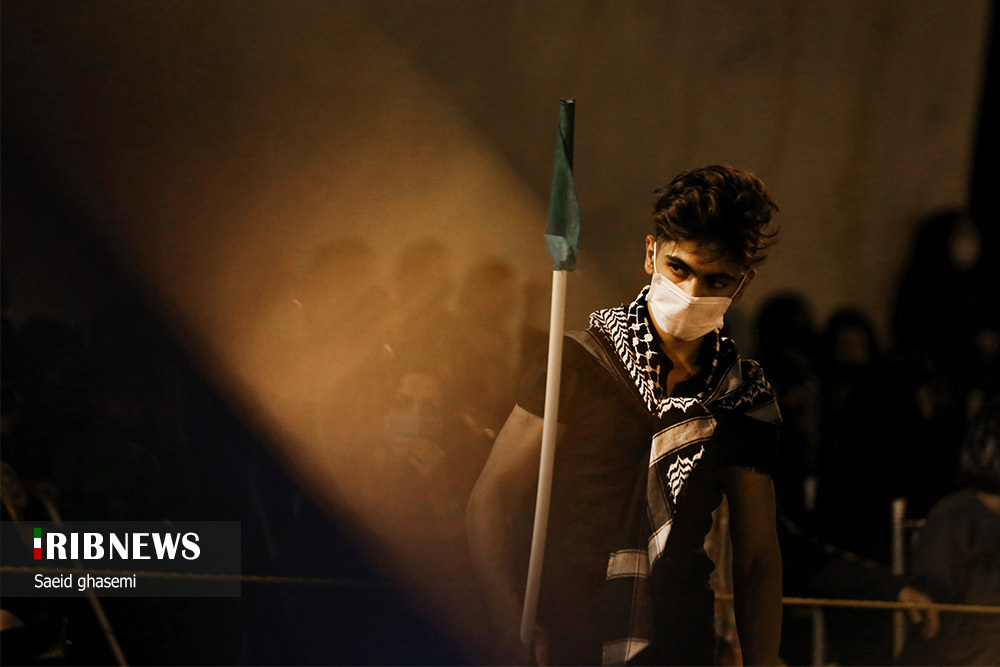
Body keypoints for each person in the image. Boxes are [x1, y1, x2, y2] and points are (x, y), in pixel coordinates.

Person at [466, 165, 783, 665]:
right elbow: (492, 498)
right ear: (651, 253)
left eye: (716, 280)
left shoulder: (743, 398)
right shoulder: (578, 364)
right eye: (679, 269)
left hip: (677, 644)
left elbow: (758, 557)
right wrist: (508, 622)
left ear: (741, 286)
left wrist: (762, 662)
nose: (692, 293)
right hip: (565, 636)